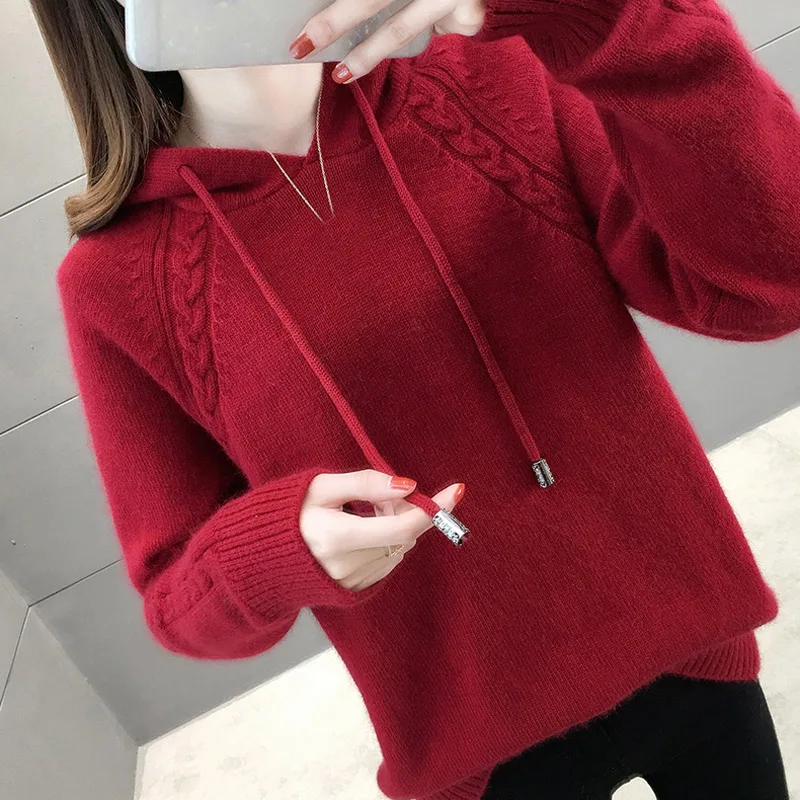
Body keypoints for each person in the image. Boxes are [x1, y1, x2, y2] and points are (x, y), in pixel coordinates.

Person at [31, 0, 799, 797]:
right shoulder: (114, 284)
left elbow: (769, 286)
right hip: (479, 757)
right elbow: (177, 603)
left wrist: (605, 15)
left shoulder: (496, 72)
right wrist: (278, 549)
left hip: (693, 650)